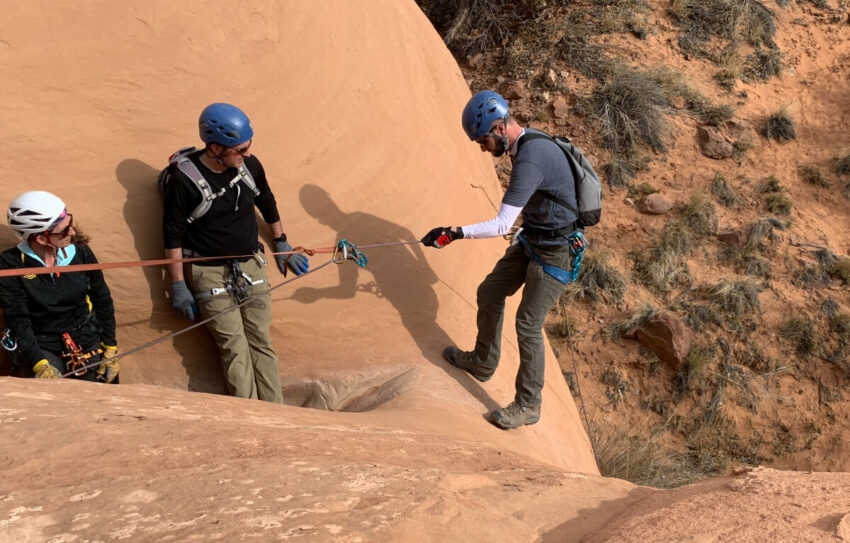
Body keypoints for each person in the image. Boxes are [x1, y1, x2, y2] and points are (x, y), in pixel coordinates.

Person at [421, 90, 581, 430]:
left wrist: (453, 232)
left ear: (497, 128)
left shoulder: (530, 158)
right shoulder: (523, 146)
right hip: (533, 240)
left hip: (557, 252)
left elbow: (501, 224)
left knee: (528, 323)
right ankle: (482, 361)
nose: (481, 148)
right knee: (490, 291)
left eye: (482, 140)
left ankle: (528, 405)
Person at [162, 102, 309, 403]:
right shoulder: (184, 182)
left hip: (250, 266)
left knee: (262, 343)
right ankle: (250, 417)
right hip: (209, 273)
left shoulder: (249, 167)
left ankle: (278, 413)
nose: (248, 155)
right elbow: (172, 236)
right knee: (234, 348)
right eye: (240, 150)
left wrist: (281, 243)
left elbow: (267, 202)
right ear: (215, 148)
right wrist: (178, 285)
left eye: (248, 147)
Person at [0, 191, 119, 382]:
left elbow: (102, 298)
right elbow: (18, 317)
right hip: (42, 344)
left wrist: (110, 346)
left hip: (86, 336)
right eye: (64, 231)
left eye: (69, 224)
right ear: (41, 239)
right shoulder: (11, 264)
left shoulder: (80, 252)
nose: (71, 232)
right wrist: (39, 362)